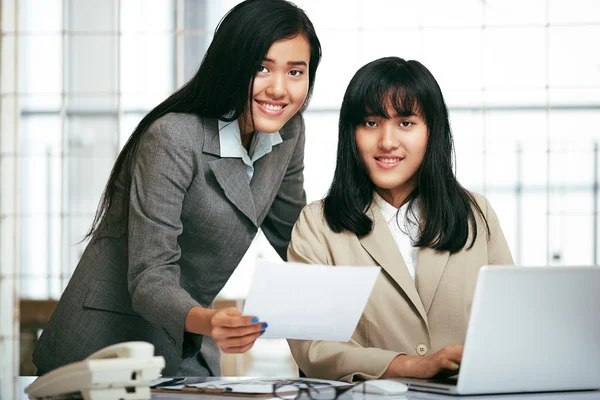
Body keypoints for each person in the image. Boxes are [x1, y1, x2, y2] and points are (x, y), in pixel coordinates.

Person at [33, 0, 321, 376]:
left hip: (185, 338)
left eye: (295, 71)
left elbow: (296, 239)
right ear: (232, 65)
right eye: (261, 68)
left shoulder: (289, 132)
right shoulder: (173, 137)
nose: (279, 89)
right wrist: (212, 323)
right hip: (104, 343)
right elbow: (150, 277)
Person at [287, 56, 513, 382]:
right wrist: (413, 366)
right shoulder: (317, 225)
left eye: (405, 123)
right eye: (371, 123)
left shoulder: (476, 214)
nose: (388, 141)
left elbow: (508, 323)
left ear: (432, 132)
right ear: (350, 134)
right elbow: (314, 347)